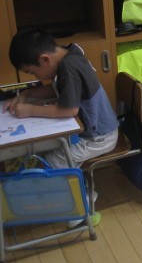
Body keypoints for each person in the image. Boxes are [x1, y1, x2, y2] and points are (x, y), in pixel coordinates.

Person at [3, 28, 119, 170]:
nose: (36, 77)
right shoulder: (67, 53)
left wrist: (31, 110)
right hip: (92, 131)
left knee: (53, 160)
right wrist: (26, 94)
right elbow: (57, 88)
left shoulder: (69, 67)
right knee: (45, 148)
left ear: (45, 59)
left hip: (99, 138)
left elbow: (69, 110)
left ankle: (79, 185)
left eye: (33, 72)